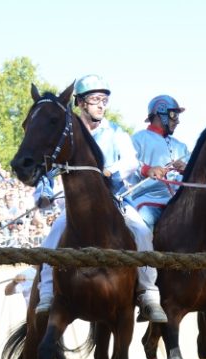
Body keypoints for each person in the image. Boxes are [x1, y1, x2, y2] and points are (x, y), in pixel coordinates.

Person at [34, 74, 167, 323]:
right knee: (53, 236)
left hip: (114, 200)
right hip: (77, 207)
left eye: (104, 100)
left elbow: (131, 162)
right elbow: (49, 167)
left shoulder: (116, 132)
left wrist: (111, 170)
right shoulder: (67, 134)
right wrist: (43, 192)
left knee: (141, 231)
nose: (101, 105)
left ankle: (148, 293)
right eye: (95, 99)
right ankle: (47, 292)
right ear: (81, 103)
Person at [4, 267, 75, 359]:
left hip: (52, 320)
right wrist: (14, 282)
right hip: (34, 322)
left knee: (58, 350)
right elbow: (7, 291)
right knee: (29, 353)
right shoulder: (26, 274)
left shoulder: (53, 271)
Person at [127, 95, 191, 230]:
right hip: (147, 200)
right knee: (143, 225)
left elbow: (193, 176)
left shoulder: (181, 146)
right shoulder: (138, 139)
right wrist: (147, 169)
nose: (177, 121)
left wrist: (187, 169)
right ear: (160, 114)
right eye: (174, 115)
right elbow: (128, 165)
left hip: (178, 201)